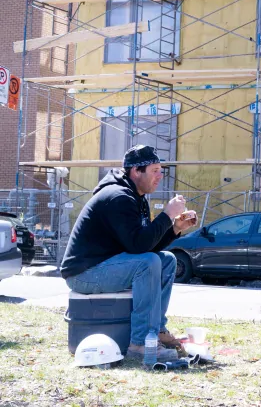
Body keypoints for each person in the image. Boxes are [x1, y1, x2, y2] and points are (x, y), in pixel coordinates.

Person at [60, 145, 198, 362]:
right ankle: (141, 343)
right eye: (154, 170)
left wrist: (175, 229)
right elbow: (139, 247)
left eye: (161, 170)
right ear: (136, 171)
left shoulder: (136, 196)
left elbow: (145, 246)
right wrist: (167, 214)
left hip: (107, 264)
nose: (160, 176)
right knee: (148, 262)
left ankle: (157, 331)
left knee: (167, 261)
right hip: (84, 274)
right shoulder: (118, 197)